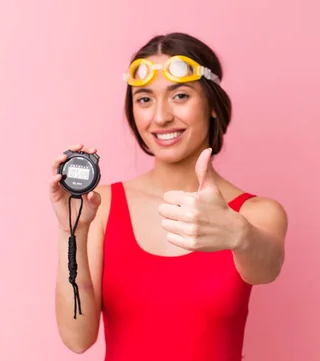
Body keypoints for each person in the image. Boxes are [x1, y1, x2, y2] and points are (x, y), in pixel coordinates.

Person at [49, 32, 288, 361]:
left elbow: (266, 269)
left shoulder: (256, 211)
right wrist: (71, 231)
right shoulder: (98, 207)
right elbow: (78, 340)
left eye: (179, 96)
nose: (160, 117)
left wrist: (239, 234)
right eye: (144, 99)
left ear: (213, 105)